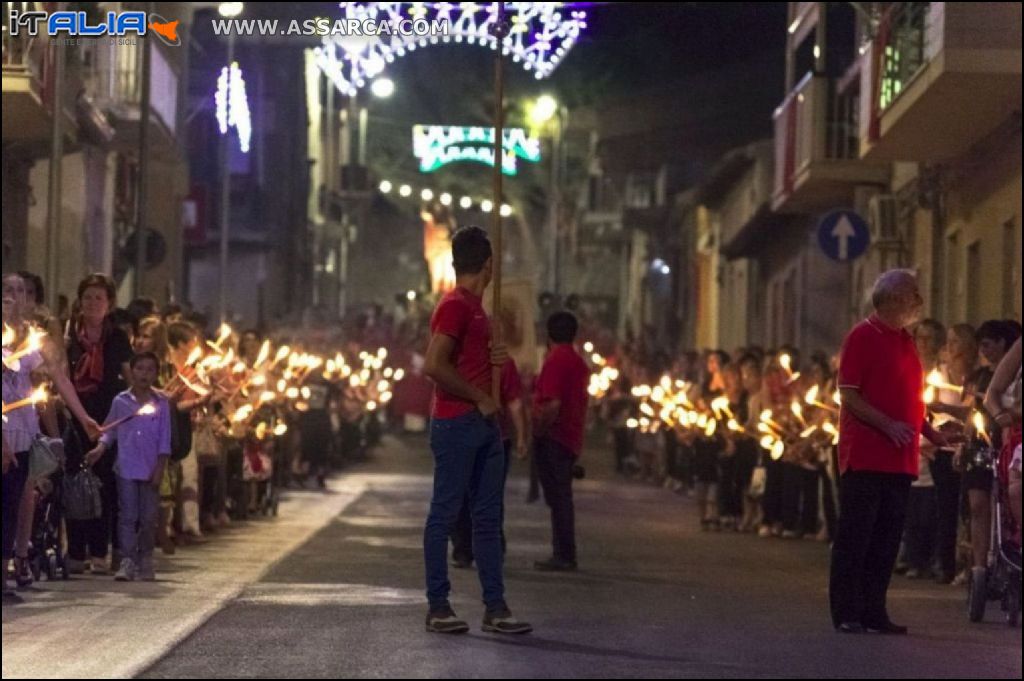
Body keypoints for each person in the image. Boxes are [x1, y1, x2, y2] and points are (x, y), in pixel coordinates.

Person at [829, 270, 953, 635]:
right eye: (913, 294)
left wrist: (931, 431)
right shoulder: (862, 336)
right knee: (857, 536)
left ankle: (873, 610)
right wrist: (887, 425)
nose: (919, 300)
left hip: (900, 455)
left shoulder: (905, 340)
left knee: (885, 539)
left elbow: (910, 400)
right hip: (867, 454)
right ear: (893, 298)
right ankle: (847, 611)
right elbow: (849, 394)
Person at [421, 226, 532, 635]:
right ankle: (438, 605)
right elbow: (434, 365)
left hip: (487, 425)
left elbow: (466, 359)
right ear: (489, 265)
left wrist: (492, 359)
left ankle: (496, 606)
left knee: (488, 518)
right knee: (445, 513)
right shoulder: (456, 306)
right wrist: (478, 396)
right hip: (457, 422)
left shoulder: (479, 311)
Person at [2, 274, 101, 601]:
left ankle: (8, 570)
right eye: (7, 291)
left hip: (22, 427)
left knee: (15, 500)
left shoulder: (34, 338)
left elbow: (60, 379)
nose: (13, 297)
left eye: (20, 292)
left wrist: (83, 416)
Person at [65, 274, 134, 575]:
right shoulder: (69, 337)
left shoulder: (116, 338)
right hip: (75, 415)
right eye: (88, 297)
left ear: (109, 304)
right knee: (75, 481)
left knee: (103, 484)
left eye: (99, 298)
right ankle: (76, 550)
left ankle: (99, 549)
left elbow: (127, 376)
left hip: (109, 418)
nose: (93, 303)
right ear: (80, 301)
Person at [86, 352, 172, 582]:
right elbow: (110, 430)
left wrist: (160, 468)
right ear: (131, 372)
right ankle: (127, 560)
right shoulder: (121, 401)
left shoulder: (161, 403)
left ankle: (146, 557)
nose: (145, 374)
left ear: (156, 373)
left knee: (147, 517)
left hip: (151, 468)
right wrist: (99, 449)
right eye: (140, 369)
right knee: (127, 515)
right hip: (126, 467)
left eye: (150, 369)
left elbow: (165, 439)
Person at [533, 311, 590, 572]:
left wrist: (539, 429)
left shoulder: (556, 361)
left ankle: (564, 553)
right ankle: (563, 551)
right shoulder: (577, 362)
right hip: (571, 434)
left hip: (556, 436)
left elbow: (553, 403)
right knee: (560, 496)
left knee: (559, 497)